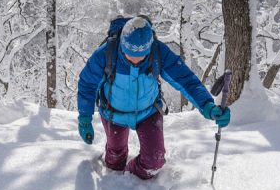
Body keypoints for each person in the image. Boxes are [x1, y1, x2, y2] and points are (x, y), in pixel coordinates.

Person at [77, 16, 231, 180]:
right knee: (115, 158)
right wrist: (85, 118)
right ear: (122, 44)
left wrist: (207, 105)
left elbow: (186, 80)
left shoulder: (158, 52)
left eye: (141, 56)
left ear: (148, 48)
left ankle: (129, 176)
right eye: (129, 55)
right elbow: (87, 84)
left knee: (154, 161)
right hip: (113, 113)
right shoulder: (106, 54)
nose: (135, 60)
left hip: (148, 112)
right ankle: (115, 177)